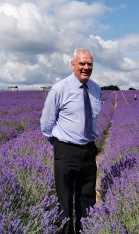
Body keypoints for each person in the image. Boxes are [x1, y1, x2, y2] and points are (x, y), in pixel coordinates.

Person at [40, 48, 101, 233]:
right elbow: (46, 123)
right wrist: (59, 145)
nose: (86, 67)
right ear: (72, 64)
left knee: (87, 198)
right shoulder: (59, 89)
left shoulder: (96, 89)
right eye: (82, 63)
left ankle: (85, 231)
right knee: (64, 200)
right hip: (66, 150)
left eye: (89, 63)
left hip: (89, 150)